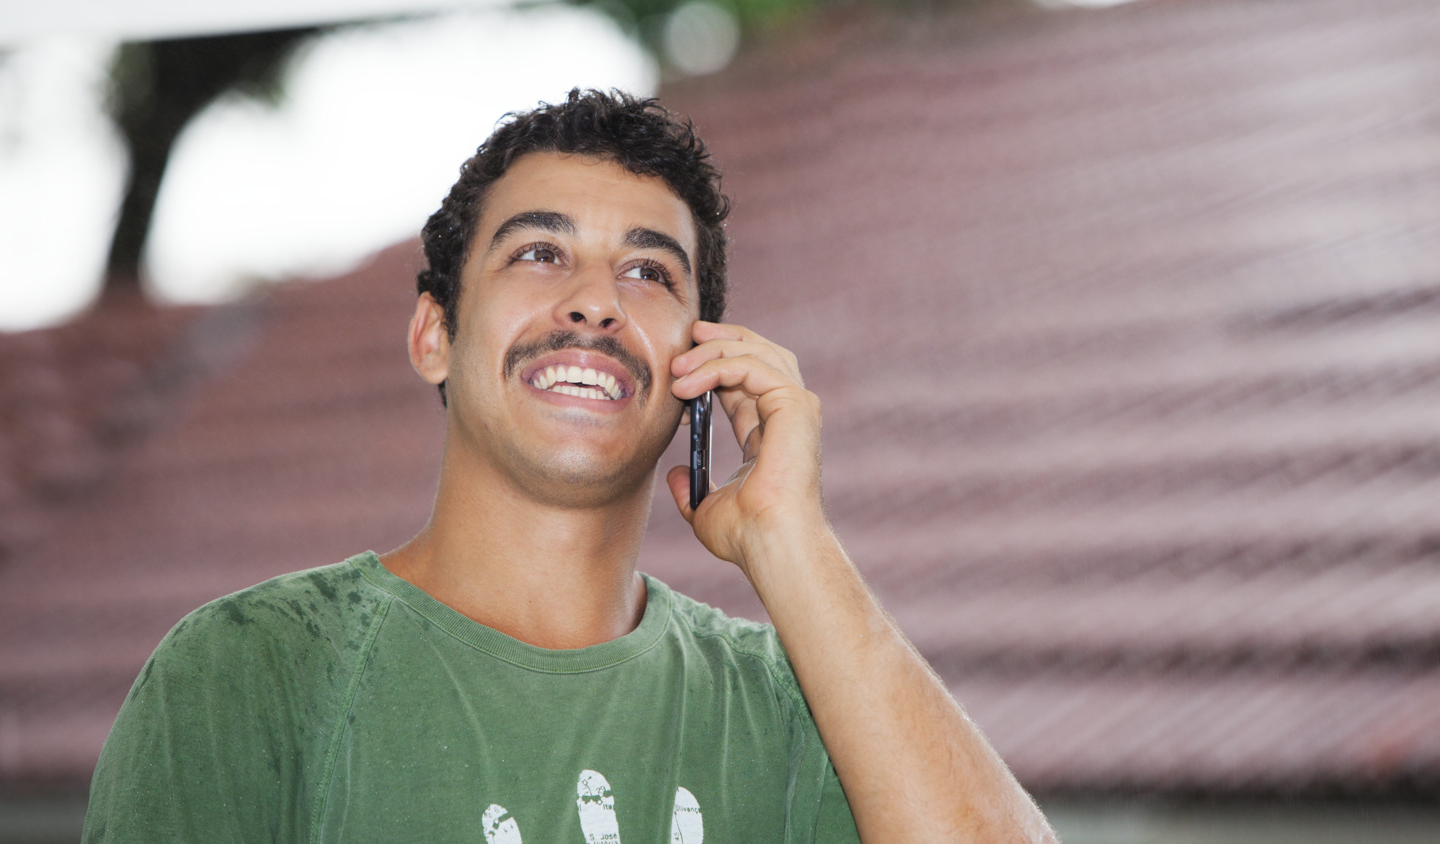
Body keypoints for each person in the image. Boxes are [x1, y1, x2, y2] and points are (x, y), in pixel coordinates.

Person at [83, 89, 1055, 843]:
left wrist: (790, 539)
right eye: (540, 253)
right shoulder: (250, 669)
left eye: (648, 272)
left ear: (701, 362)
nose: (596, 302)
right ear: (434, 335)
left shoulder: (793, 707)